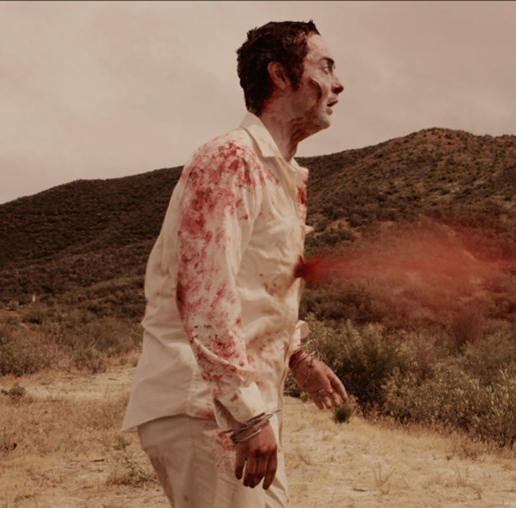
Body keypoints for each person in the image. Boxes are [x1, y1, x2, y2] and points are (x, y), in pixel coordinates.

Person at [121, 20, 347, 507]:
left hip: (235, 406)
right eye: (325, 68)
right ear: (280, 76)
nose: (339, 84)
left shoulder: (281, 174)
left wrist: (296, 357)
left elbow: (255, 290)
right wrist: (247, 416)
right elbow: (205, 295)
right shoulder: (230, 160)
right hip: (205, 405)